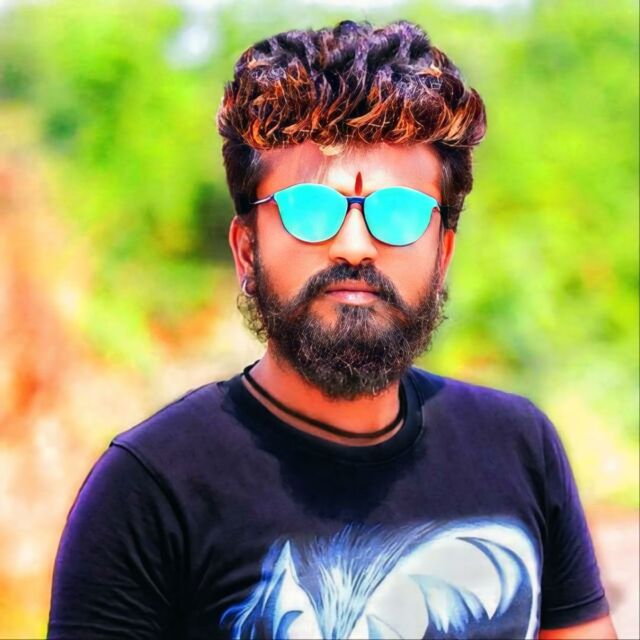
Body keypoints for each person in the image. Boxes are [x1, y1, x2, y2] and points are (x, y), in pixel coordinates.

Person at [47, 20, 617, 640]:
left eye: (399, 213)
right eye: (309, 209)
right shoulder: (150, 490)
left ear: (444, 253)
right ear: (246, 250)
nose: (354, 244)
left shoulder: (518, 448)